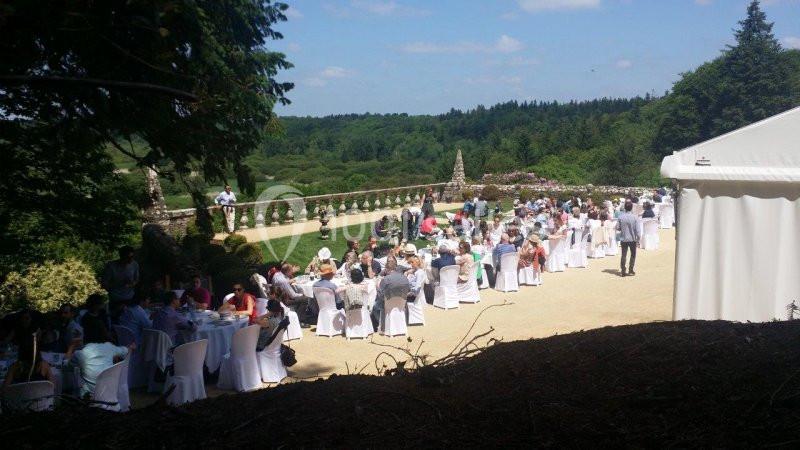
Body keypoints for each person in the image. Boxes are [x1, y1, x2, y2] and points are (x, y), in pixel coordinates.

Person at [67, 314, 132, 398]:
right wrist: (131, 346)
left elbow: (66, 365)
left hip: (90, 398)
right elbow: (126, 351)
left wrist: (71, 346)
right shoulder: (109, 347)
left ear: (85, 335)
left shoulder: (80, 354)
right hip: (110, 395)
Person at [372, 258, 410, 328]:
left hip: (389, 302)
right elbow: (408, 290)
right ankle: (404, 323)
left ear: (386, 269)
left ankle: (383, 324)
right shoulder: (405, 278)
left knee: (375, 307)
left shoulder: (386, 279)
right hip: (402, 302)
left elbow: (380, 294)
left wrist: (377, 286)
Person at [617, 201, 640, 276]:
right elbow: (638, 231)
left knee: (623, 255)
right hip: (632, 239)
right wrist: (638, 239)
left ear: (625, 208)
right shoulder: (635, 217)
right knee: (633, 255)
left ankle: (623, 270)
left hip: (624, 238)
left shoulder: (620, 217)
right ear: (631, 208)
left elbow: (618, 228)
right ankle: (631, 270)